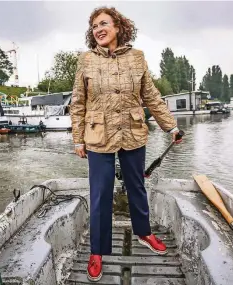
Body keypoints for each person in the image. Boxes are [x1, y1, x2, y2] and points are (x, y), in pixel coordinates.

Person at [70, 6, 183, 282]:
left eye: (104, 23)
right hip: (98, 135)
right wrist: (77, 138)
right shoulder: (86, 60)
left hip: (132, 132)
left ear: (118, 27)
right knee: (100, 194)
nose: (98, 29)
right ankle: (98, 251)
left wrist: (172, 126)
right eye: (94, 26)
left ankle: (144, 233)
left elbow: (152, 97)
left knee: (137, 186)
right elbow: (78, 103)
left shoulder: (137, 58)